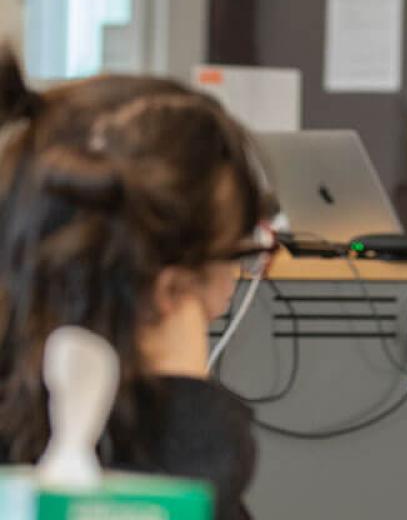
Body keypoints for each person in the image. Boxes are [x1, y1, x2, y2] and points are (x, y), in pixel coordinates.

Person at [0, 44, 277, 520]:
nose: (233, 285)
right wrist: (181, 398)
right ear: (170, 290)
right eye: (239, 251)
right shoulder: (167, 464)